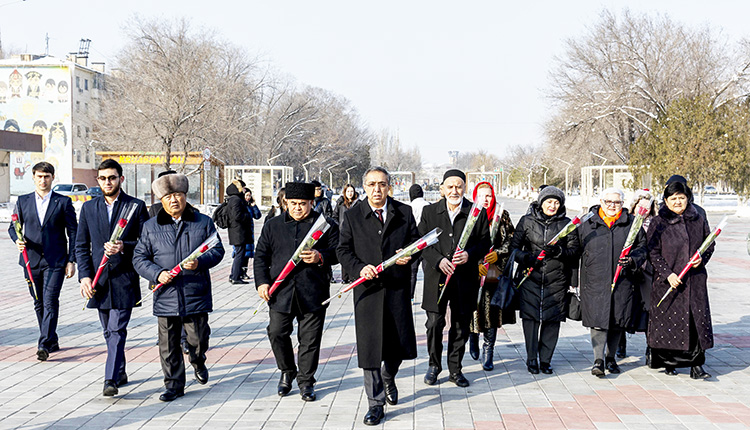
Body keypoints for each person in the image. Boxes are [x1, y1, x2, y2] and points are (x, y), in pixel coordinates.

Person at [337, 166, 419, 426]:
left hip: (396, 288)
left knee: (397, 345)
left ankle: (389, 376)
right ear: (364, 187)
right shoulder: (353, 216)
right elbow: (343, 250)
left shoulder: (403, 212)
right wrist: (359, 268)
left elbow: (417, 243)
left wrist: (410, 255)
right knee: (371, 348)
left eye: (382, 184)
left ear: (389, 187)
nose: (376, 189)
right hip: (368, 291)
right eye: (371, 184)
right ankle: (375, 403)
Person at [133, 173, 225, 401]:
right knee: (168, 345)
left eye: (178, 195)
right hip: (165, 294)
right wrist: (157, 274)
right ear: (161, 200)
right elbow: (139, 258)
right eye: (169, 196)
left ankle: (198, 360)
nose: (174, 200)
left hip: (195, 292)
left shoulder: (202, 222)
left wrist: (200, 262)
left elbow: (217, 250)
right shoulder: (150, 227)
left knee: (198, 339)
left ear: (185, 196)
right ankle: (173, 385)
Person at [255, 182, 338, 402]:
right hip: (280, 293)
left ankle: (306, 382)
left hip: (313, 292)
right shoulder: (273, 225)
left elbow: (339, 251)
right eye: (293, 204)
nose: (297, 208)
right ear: (285, 203)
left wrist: (321, 257)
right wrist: (262, 283)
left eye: (303, 204)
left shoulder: (325, 225)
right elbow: (261, 256)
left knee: (309, 340)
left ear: (312, 203)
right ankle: (286, 370)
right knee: (276, 332)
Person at [76, 159, 149, 395]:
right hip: (99, 281)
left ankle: (109, 380)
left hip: (124, 278)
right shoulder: (89, 208)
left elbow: (147, 243)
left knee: (117, 330)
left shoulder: (135, 206)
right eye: (103, 178)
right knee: (108, 331)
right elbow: (81, 246)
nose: (108, 182)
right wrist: (84, 277)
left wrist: (124, 247)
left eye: (112, 177)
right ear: (97, 180)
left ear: (121, 179)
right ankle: (120, 370)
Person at [419, 169, 490, 387]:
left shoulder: (476, 212)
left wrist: (470, 254)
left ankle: (455, 368)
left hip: (464, 278)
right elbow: (421, 242)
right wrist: (438, 260)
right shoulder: (430, 212)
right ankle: (433, 365)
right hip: (436, 277)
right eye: (449, 186)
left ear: (465, 188)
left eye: (458, 186)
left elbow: (485, 242)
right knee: (434, 323)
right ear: (442, 188)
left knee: (460, 324)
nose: (454, 190)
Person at [8, 161, 77, 361]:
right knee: (38, 302)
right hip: (31, 260)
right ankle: (52, 338)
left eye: (46, 176)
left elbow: (73, 232)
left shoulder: (62, 202)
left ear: (52, 178)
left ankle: (44, 343)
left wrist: (71, 260)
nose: (43, 180)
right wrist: (17, 240)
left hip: (55, 261)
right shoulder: (23, 201)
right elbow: (14, 227)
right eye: (39, 176)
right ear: (34, 178)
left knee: (50, 300)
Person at [576, 188, 647, 377]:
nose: (612, 206)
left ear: (622, 204)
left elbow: (642, 248)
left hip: (622, 280)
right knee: (598, 321)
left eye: (616, 202)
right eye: (608, 202)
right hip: (595, 280)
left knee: (617, 320)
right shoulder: (587, 223)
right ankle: (598, 359)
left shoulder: (632, 223)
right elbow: (574, 250)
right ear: (601, 201)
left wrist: (632, 260)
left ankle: (611, 357)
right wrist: (573, 280)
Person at [647, 181, 714, 379]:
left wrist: (701, 259)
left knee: (695, 322)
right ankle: (669, 363)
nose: (678, 202)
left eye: (681, 198)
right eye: (673, 198)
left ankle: (697, 365)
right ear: (666, 201)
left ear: (688, 198)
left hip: (694, 281)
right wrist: (667, 274)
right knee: (670, 322)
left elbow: (709, 244)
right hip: (669, 281)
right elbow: (653, 251)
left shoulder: (698, 219)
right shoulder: (658, 222)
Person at [510, 186, 578, 375]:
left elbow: (574, 251)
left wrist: (559, 252)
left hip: (556, 280)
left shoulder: (567, 224)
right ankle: (532, 358)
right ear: (541, 202)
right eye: (549, 201)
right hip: (530, 278)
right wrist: (526, 258)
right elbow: (513, 249)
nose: (552, 206)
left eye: (556, 202)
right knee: (531, 320)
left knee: (552, 321)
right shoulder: (526, 221)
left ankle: (546, 360)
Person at [469, 181, 514, 371]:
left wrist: (498, 253)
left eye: (488, 195)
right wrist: (475, 262)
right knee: (473, 308)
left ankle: (489, 349)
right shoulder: (470, 215)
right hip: (472, 271)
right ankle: (472, 337)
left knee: (492, 312)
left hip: (494, 273)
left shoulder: (501, 215)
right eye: (481, 195)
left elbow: (512, 240)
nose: (485, 199)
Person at [618, 189, 658, 359]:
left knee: (650, 310)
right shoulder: (627, 222)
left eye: (646, 207)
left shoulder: (656, 224)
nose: (643, 210)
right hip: (628, 271)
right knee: (622, 307)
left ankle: (651, 346)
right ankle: (619, 345)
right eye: (640, 206)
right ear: (634, 206)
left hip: (648, 272)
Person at [226, 179, 260, 284]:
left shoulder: (234, 199)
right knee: (239, 254)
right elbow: (236, 216)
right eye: (243, 187)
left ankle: (234, 275)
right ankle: (235, 277)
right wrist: (247, 215)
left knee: (240, 253)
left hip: (238, 232)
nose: (244, 190)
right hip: (238, 232)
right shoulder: (236, 199)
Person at [333, 183, 359, 283]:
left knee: (354, 253)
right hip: (342, 232)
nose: (350, 193)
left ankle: (352, 276)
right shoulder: (340, 203)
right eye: (348, 191)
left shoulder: (358, 203)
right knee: (344, 253)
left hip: (355, 232)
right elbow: (334, 216)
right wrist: (338, 226)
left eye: (351, 191)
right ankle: (344, 277)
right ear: (345, 192)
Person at [408, 184, 430, 298]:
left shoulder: (408, 207)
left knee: (412, 272)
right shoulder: (429, 206)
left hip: (414, 243)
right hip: (427, 242)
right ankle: (428, 295)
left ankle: (410, 296)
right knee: (428, 272)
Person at [238, 187, 262, 281]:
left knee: (247, 254)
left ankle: (244, 272)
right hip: (242, 232)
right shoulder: (240, 205)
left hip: (249, 233)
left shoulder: (249, 205)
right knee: (241, 254)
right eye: (246, 195)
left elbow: (258, 216)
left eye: (249, 195)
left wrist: (254, 206)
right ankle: (238, 272)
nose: (248, 197)